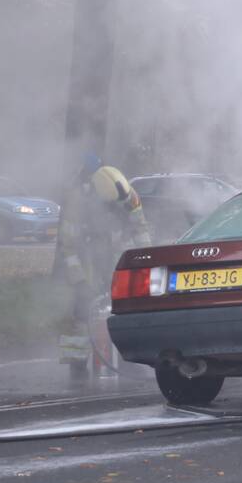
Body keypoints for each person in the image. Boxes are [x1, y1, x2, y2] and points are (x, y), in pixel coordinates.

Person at [57, 154, 151, 373]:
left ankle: (131, 359)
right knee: (81, 312)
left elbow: (141, 229)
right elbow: (68, 246)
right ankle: (76, 362)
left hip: (119, 258)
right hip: (88, 259)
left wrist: (146, 260)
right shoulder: (78, 203)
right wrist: (79, 279)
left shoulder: (129, 196)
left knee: (127, 310)